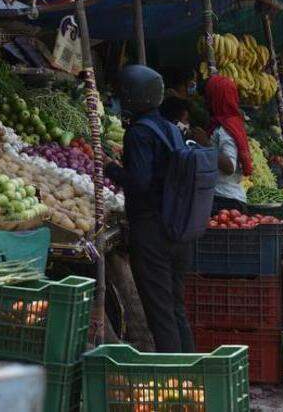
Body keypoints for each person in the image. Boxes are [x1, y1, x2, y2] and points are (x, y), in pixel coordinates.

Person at [104, 65, 194, 353]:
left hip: (151, 230)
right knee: (176, 307)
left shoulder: (138, 134)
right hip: (178, 228)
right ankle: (191, 373)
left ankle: (175, 384)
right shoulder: (171, 129)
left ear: (132, 97)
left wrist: (111, 170)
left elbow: (139, 183)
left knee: (160, 311)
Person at [205, 75, 253, 211]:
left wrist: (205, 144)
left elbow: (229, 166)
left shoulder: (225, 128)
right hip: (228, 197)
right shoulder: (230, 122)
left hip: (225, 200)